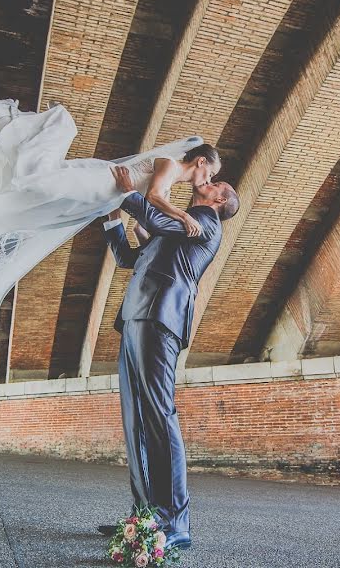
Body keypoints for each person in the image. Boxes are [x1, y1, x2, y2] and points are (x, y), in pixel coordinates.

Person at [0, 97, 221, 393]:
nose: (208, 179)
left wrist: (125, 218)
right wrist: (183, 215)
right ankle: (30, 123)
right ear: (200, 161)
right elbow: (152, 198)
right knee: (42, 184)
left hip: (104, 197)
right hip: (100, 183)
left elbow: (142, 224)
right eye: (210, 173)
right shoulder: (170, 164)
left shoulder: (174, 179)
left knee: (46, 210)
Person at [97, 164, 240, 550]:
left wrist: (129, 195)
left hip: (160, 318)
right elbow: (129, 259)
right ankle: (144, 516)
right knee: (135, 420)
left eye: (215, 184)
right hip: (134, 316)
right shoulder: (175, 227)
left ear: (220, 200)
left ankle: (176, 521)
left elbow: (155, 216)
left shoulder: (204, 222)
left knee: (159, 416)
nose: (206, 182)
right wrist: (114, 217)